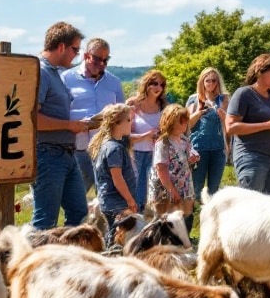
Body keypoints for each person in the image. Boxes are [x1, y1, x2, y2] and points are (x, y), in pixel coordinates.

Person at [31, 22, 92, 230]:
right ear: (62, 47)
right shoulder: (40, 72)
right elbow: (33, 119)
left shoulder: (53, 72)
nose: (76, 55)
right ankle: (36, 261)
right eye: (75, 49)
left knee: (79, 215)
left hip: (65, 153)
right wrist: (69, 125)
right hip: (47, 154)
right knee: (45, 221)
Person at [63, 37, 125, 194]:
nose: (102, 64)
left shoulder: (114, 82)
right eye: (97, 59)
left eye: (106, 60)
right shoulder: (66, 78)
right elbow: (59, 112)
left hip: (106, 147)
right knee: (75, 197)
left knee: (106, 195)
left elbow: (123, 116)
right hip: (77, 148)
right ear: (86, 56)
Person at [227, 54, 270, 195]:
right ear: (259, 71)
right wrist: (267, 125)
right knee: (250, 208)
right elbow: (231, 127)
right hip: (252, 157)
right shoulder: (243, 94)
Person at [88, 103, 138, 246]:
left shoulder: (109, 145)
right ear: (116, 122)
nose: (131, 123)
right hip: (117, 202)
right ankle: (112, 258)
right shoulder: (114, 148)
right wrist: (130, 200)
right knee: (118, 238)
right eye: (128, 120)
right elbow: (117, 178)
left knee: (115, 234)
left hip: (110, 201)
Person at [150, 104, 197, 230]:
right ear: (170, 122)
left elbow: (189, 154)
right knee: (167, 217)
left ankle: (183, 241)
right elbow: (161, 168)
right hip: (166, 188)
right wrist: (171, 190)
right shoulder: (163, 143)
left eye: (186, 121)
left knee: (185, 213)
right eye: (181, 122)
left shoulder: (184, 139)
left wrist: (193, 157)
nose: (185, 124)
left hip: (184, 185)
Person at [127, 69, 169, 209]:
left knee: (154, 192)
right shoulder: (133, 104)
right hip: (136, 154)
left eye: (161, 84)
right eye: (154, 83)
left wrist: (161, 135)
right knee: (137, 191)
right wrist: (146, 135)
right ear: (146, 84)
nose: (158, 88)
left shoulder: (164, 106)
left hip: (157, 154)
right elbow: (123, 135)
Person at [185, 67, 228, 202]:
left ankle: (212, 216)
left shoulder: (223, 98)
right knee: (196, 187)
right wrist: (199, 111)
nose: (210, 83)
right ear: (202, 82)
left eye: (213, 80)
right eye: (207, 80)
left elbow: (229, 122)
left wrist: (220, 111)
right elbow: (187, 125)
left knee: (214, 190)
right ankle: (196, 215)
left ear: (217, 82)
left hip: (218, 148)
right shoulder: (194, 99)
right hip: (198, 148)